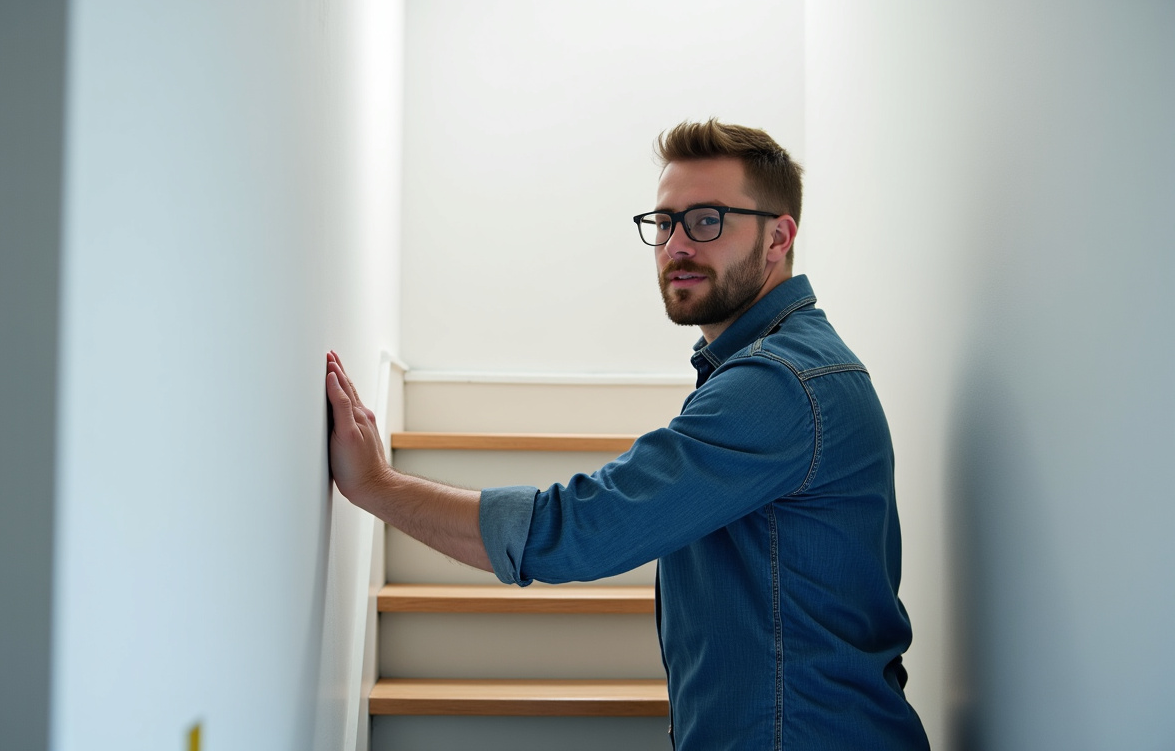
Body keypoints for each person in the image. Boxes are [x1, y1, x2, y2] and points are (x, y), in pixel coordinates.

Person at [325, 120, 929, 750]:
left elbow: (580, 531)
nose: (677, 244)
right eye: (664, 223)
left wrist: (374, 484)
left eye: (707, 220)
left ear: (778, 236)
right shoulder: (776, 367)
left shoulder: (779, 385)